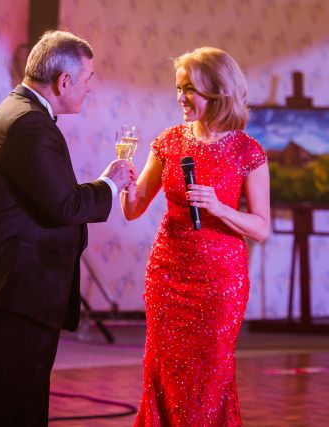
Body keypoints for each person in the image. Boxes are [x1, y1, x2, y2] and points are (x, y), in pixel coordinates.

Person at [0, 30, 134, 426]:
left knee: (20, 412)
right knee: (0, 414)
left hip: (15, 294)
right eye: (88, 78)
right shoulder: (27, 123)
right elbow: (63, 206)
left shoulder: (25, 114)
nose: (91, 87)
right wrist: (111, 183)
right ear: (64, 81)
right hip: (8, 294)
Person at [121, 47, 270, 426]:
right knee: (163, 368)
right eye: (178, 88)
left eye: (190, 89)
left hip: (220, 283)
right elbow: (133, 209)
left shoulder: (247, 151)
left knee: (210, 373)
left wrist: (219, 207)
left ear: (219, 91)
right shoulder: (169, 142)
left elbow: (261, 228)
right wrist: (124, 180)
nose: (181, 98)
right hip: (168, 276)